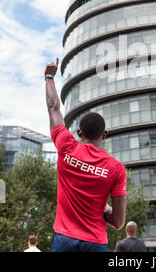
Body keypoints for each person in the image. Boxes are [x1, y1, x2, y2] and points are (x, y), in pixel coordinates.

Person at [45, 58, 127, 252]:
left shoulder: (66, 146)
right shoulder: (116, 169)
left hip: (64, 240)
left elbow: (53, 108)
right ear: (104, 135)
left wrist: (49, 77)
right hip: (95, 243)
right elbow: (118, 221)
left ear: (79, 133)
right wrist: (104, 208)